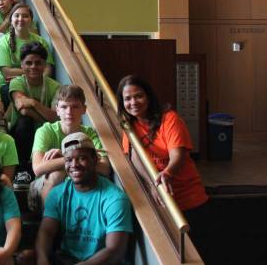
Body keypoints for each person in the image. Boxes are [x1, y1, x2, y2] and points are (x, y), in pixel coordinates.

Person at [116, 75, 208, 214]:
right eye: (127, 99)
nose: (133, 102)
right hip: (159, 197)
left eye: (139, 96)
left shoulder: (170, 119)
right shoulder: (129, 125)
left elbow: (178, 155)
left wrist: (167, 173)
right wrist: (153, 184)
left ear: (148, 97)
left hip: (188, 197)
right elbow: (135, 157)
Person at [35, 133, 132, 265]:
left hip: (99, 262)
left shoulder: (114, 198)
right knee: (24, 258)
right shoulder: (57, 194)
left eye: (82, 158)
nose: (74, 165)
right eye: (68, 160)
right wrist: (43, 260)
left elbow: (114, 250)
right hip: (66, 258)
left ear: (95, 160)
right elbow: (46, 232)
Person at [30, 85, 109, 211]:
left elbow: (104, 168)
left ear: (84, 109)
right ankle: (48, 220)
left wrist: (64, 156)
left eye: (75, 107)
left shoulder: (90, 133)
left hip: (79, 181)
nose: (69, 112)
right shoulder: (45, 131)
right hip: (44, 185)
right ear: (57, 109)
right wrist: (80, 159)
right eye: (64, 107)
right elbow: (38, 168)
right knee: (58, 174)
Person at [8, 43, 60, 185]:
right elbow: (22, 108)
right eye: (28, 63)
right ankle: (22, 170)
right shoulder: (16, 82)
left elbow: (56, 117)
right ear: (22, 65)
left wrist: (34, 103)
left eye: (38, 63)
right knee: (25, 121)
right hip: (21, 134)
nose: (33, 67)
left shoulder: (55, 87)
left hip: (46, 132)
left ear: (44, 65)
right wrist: (45, 115)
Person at [0, 4, 52, 82]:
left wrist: (36, 80)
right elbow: (6, 72)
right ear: (11, 21)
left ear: (31, 21)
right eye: (17, 16)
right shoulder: (2, 42)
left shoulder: (41, 41)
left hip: (38, 84)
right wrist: (35, 72)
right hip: (9, 84)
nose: (20, 19)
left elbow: (48, 69)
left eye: (25, 16)